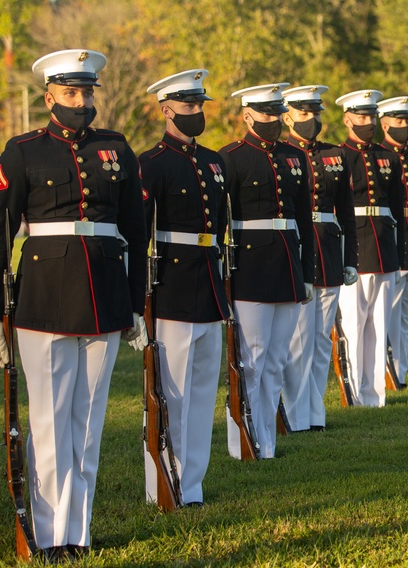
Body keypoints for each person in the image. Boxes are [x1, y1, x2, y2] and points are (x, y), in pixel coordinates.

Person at [0, 49, 147, 561]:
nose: (82, 101)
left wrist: (136, 303)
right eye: (72, 93)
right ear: (49, 96)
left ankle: (79, 531)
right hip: (45, 297)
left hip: (105, 295)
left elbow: (135, 233)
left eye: (88, 92)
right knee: (49, 423)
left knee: (88, 421)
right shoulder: (22, 150)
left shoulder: (116, 148)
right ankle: (50, 535)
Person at [139, 69, 227, 506]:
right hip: (172, 286)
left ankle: (191, 484)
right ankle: (163, 482)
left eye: (200, 105)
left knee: (202, 392)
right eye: (189, 106)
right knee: (170, 393)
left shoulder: (214, 161)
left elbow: (221, 226)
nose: (196, 113)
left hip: (209, 281)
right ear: (167, 109)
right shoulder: (151, 164)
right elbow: (138, 236)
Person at [219, 83, 314, 458]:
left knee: (276, 359)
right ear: (247, 115)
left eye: (277, 112)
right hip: (251, 266)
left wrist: (307, 272)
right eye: (265, 112)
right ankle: (243, 439)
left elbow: (304, 219)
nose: (272, 119)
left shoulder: (294, 157)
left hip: (288, 263)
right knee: (251, 359)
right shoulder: (231, 157)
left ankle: (267, 442)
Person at [279, 84, 358, 432]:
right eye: (303, 113)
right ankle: (296, 416)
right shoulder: (281, 155)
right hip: (297, 250)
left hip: (328, 251)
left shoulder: (334, 155)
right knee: (298, 340)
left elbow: (346, 210)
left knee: (321, 340)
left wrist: (350, 258)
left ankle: (315, 412)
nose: (311, 119)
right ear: (287, 116)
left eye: (315, 113)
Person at [335, 89, 405, 406]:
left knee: (380, 324)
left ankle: (374, 393)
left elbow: (398, 206)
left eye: (372, 116)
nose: (369, 122)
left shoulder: (388, 157)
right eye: (362, 117)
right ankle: (352, 391)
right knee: (353, 323)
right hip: (356, 246)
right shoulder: (338, 157)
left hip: (384, 244)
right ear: (347, 118)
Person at [376, 95, 408, 379]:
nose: (405, 126)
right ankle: (387, 369)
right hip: (390, 241)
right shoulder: (379, 156)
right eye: (399, 121)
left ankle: (401, 372)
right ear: (384, 125)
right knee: (388, 311)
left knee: (407, 310)